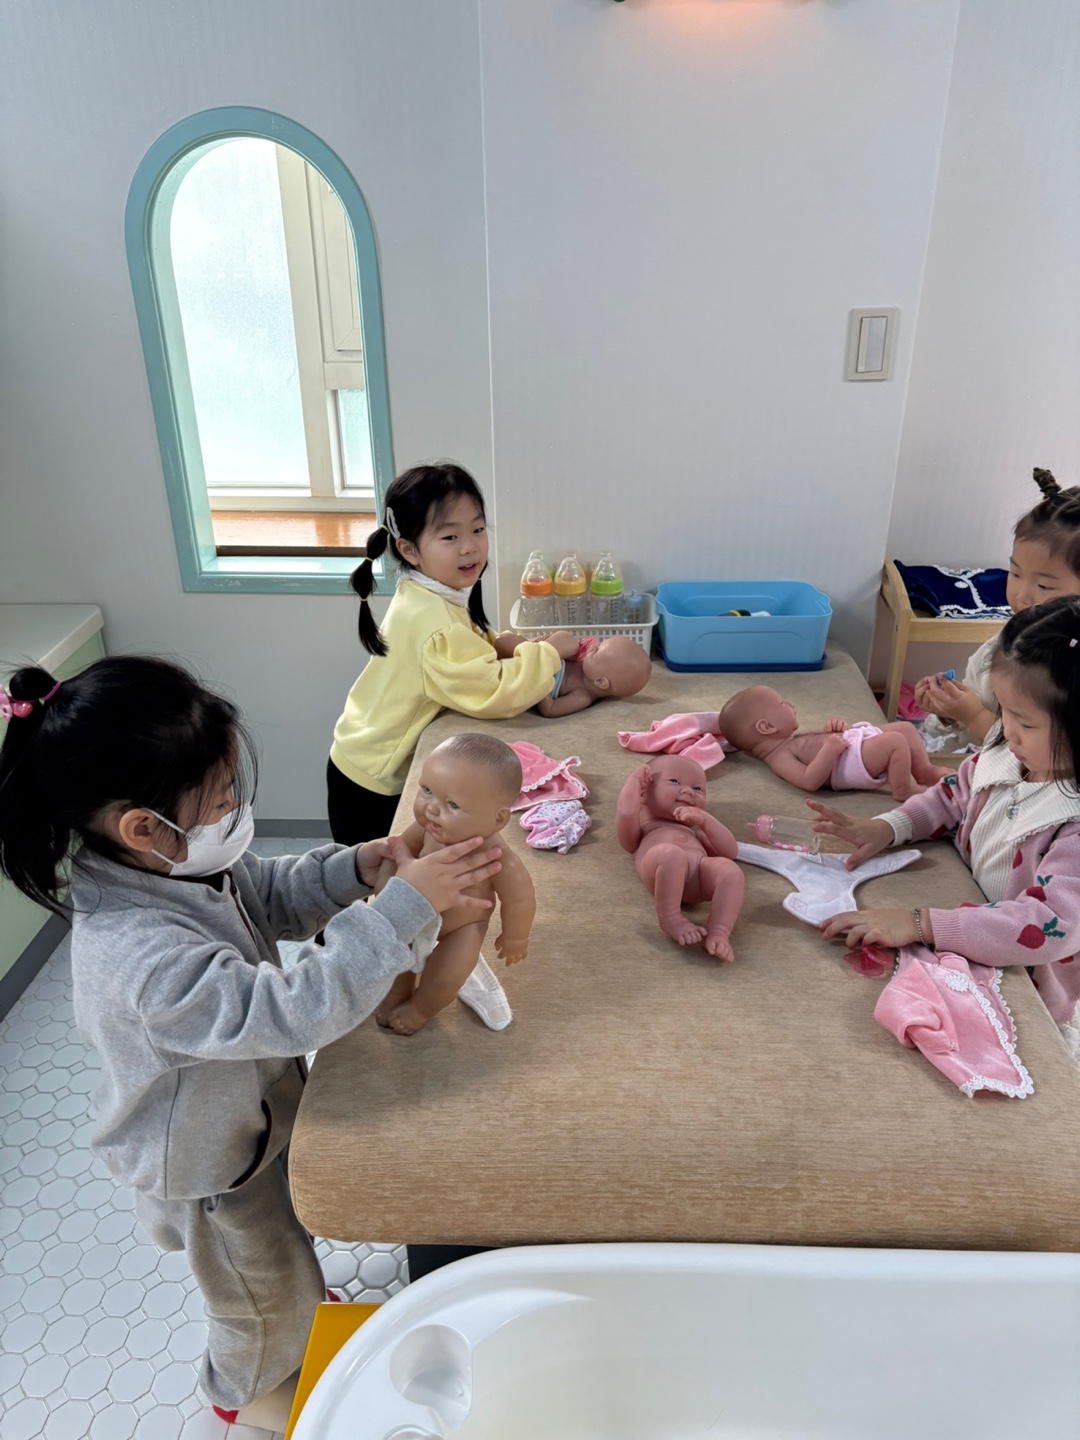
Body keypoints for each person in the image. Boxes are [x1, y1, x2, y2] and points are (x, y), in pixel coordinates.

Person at [0, 656, 502, 1430]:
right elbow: (291, 1010)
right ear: (143, 827)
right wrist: (399, 913)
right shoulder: (139, 958)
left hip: (247, 1122)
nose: (236, 807)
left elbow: (266, 894)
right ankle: (246, 1389)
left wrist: (356, 869)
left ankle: (291, 1296)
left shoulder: (173, 869)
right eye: (221, 798)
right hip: (209, 1167)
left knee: (277, 1256)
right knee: (254, 1299)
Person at [812, 598, 1080, 1057]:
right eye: (1003, 710)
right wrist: (888, 827)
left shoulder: (1070, 824)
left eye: (1025, 722)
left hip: (1032, 986)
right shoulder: (1012, 752)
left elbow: (1047, 924)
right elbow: (954, 794)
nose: (1006, 730)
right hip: (973, 909)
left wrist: (920, 924)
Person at [328, 462, 563, 844]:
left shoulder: (426, 591)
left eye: (478, 529)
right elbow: (494, 693)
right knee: (377, 875)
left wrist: (505, 643)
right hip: (372, 780)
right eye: (450, 536)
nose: (470, 546)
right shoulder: (434, 622)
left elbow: (467, 645)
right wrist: (548, 654)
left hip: (359, 754)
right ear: (409, 550)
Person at [373, 733, 534, 1035]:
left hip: (462, 927)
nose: (431, 809)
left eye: (453, 805)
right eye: (427, 790)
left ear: (498, 819)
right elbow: (398, 851)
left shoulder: (497, 858)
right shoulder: (427, 829)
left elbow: (520, 898)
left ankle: (419, 1009)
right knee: (396, 954)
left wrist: (516, 937)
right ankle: (396, 993)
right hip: (415, 909)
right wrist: (385, 881)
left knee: (448, 975)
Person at [916, 467, 1080, 745]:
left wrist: (970, 714)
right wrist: (948, 709)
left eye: (1044, 586)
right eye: (1015, 574)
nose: (1022, 595)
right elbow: (980, 698)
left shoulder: (1062, 666)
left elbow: (1018, 749)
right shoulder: (1014, 634)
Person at [719, 685, 950, 801]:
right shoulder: (778, 758)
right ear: (766, 727)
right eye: (782, 704)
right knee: (895, 742)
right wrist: (829, 749)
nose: (790, 704)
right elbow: (808, 780)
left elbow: (820, 744)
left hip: (852, 748)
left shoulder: (786, 741)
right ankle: (903, 789)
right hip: (852, 765)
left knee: (905, 728)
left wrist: (835, 730)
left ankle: (924, 771)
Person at [615, 754, 744, 962]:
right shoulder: (641, 834)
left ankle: (719, 930)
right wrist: (632, 784)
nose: (688, 791)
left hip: (699, 878)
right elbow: (626, 812)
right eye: (674, 781)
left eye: (698, 789)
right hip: (660, 869)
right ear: (643, 794)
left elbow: (730, 852)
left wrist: (706, 821)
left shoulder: (696, 835)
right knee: (671, 854)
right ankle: (670, 917)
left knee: (730, 870)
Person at [496, 632, 652, 718]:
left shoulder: (582, 697)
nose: (593, 647)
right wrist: (550, 644)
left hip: (530, 677)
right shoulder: (584, 664)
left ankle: (515, 653)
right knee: (566, 640)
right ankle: (530, 647)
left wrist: (540, 680)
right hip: (536, 659)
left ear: (600, 682)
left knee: (503, 644)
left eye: (596, 651)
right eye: (599, 644)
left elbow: (550, 709)